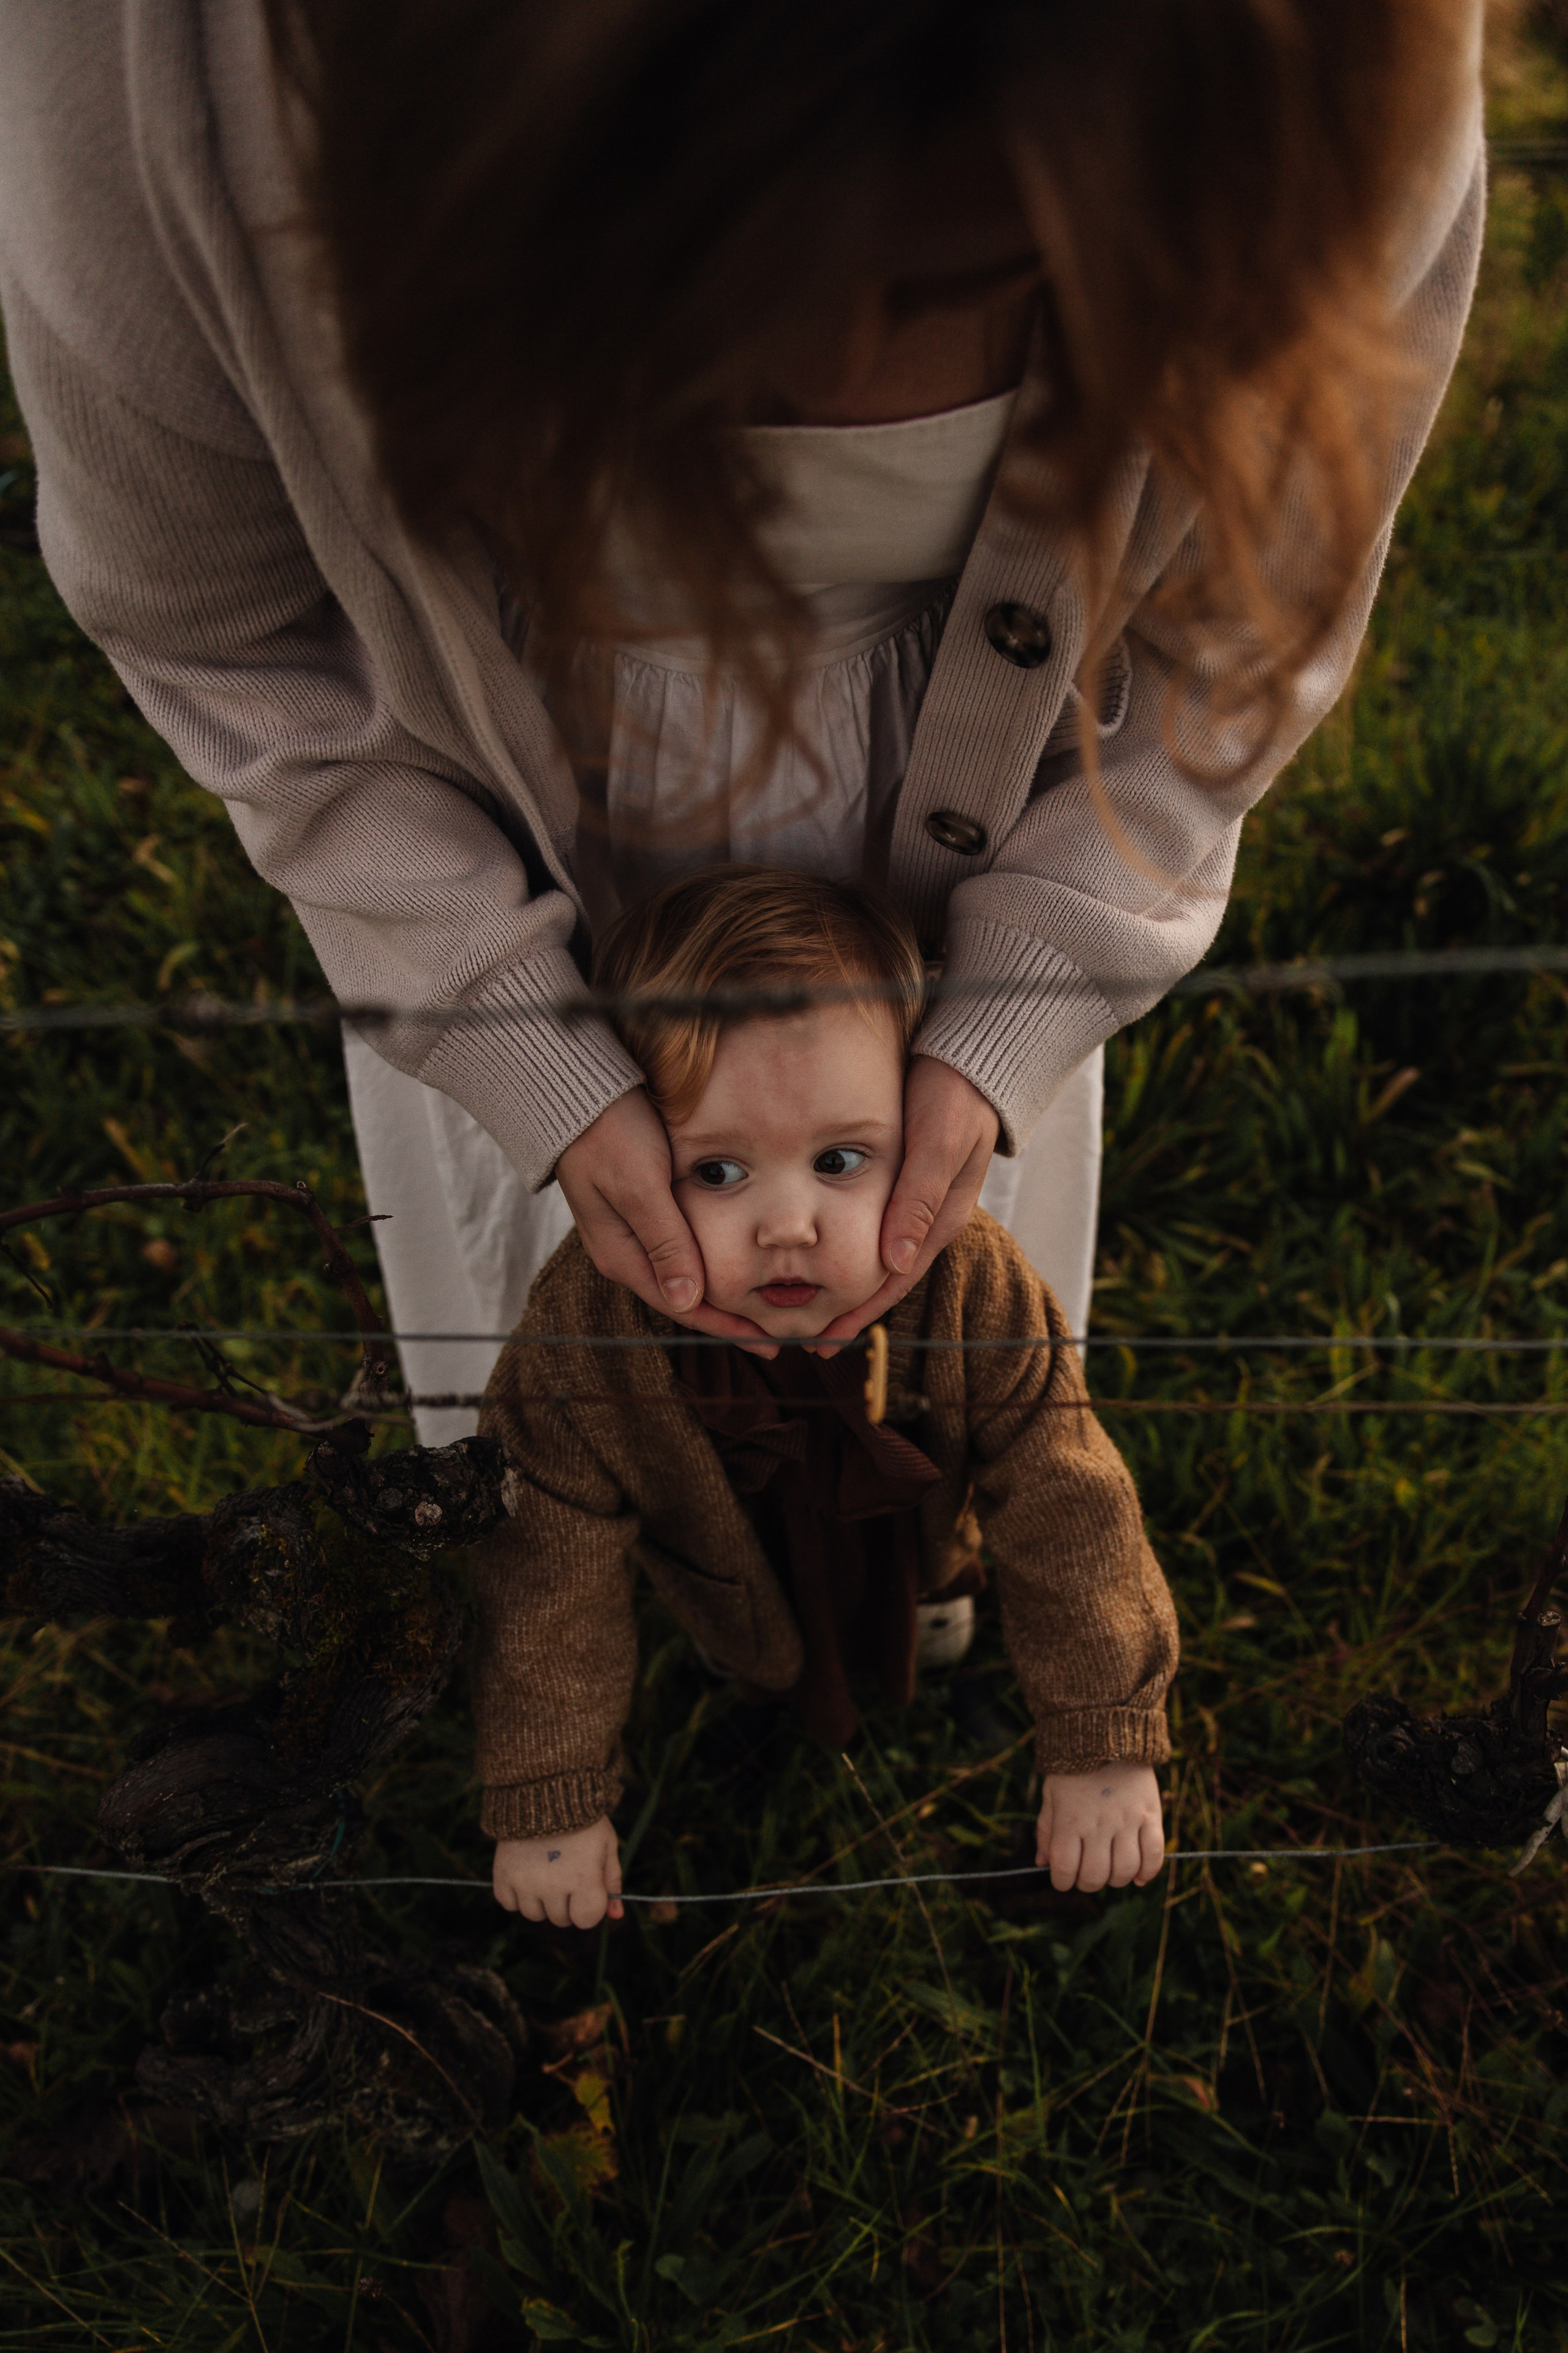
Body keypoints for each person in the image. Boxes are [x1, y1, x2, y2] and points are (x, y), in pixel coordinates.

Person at [0, 3, 1483, 1437]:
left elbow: (1244, 622)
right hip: (472, 848)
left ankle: (917, 1552)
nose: (830, 370)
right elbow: (216, 622)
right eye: (723, 278)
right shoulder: (180, 68)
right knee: (563, 1420)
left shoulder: (1315, 76)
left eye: (958, 277)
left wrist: (1024, 990)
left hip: (1007, 831)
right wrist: (510, 1029)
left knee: (939, 1359)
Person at [473, 866, 1178, 1929]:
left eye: (841, 1158)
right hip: (725, 1570)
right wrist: (550, 1798)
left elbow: (1068, 1497)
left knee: (939, 1580)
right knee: (742, 1635)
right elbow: (547, 1565)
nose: (787, 1224)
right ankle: (755, 1681)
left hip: (918, 1533)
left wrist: (1105, 1741)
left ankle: (943, 1630)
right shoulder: (594, 1332)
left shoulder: (967, 1281)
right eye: (716, 1172)